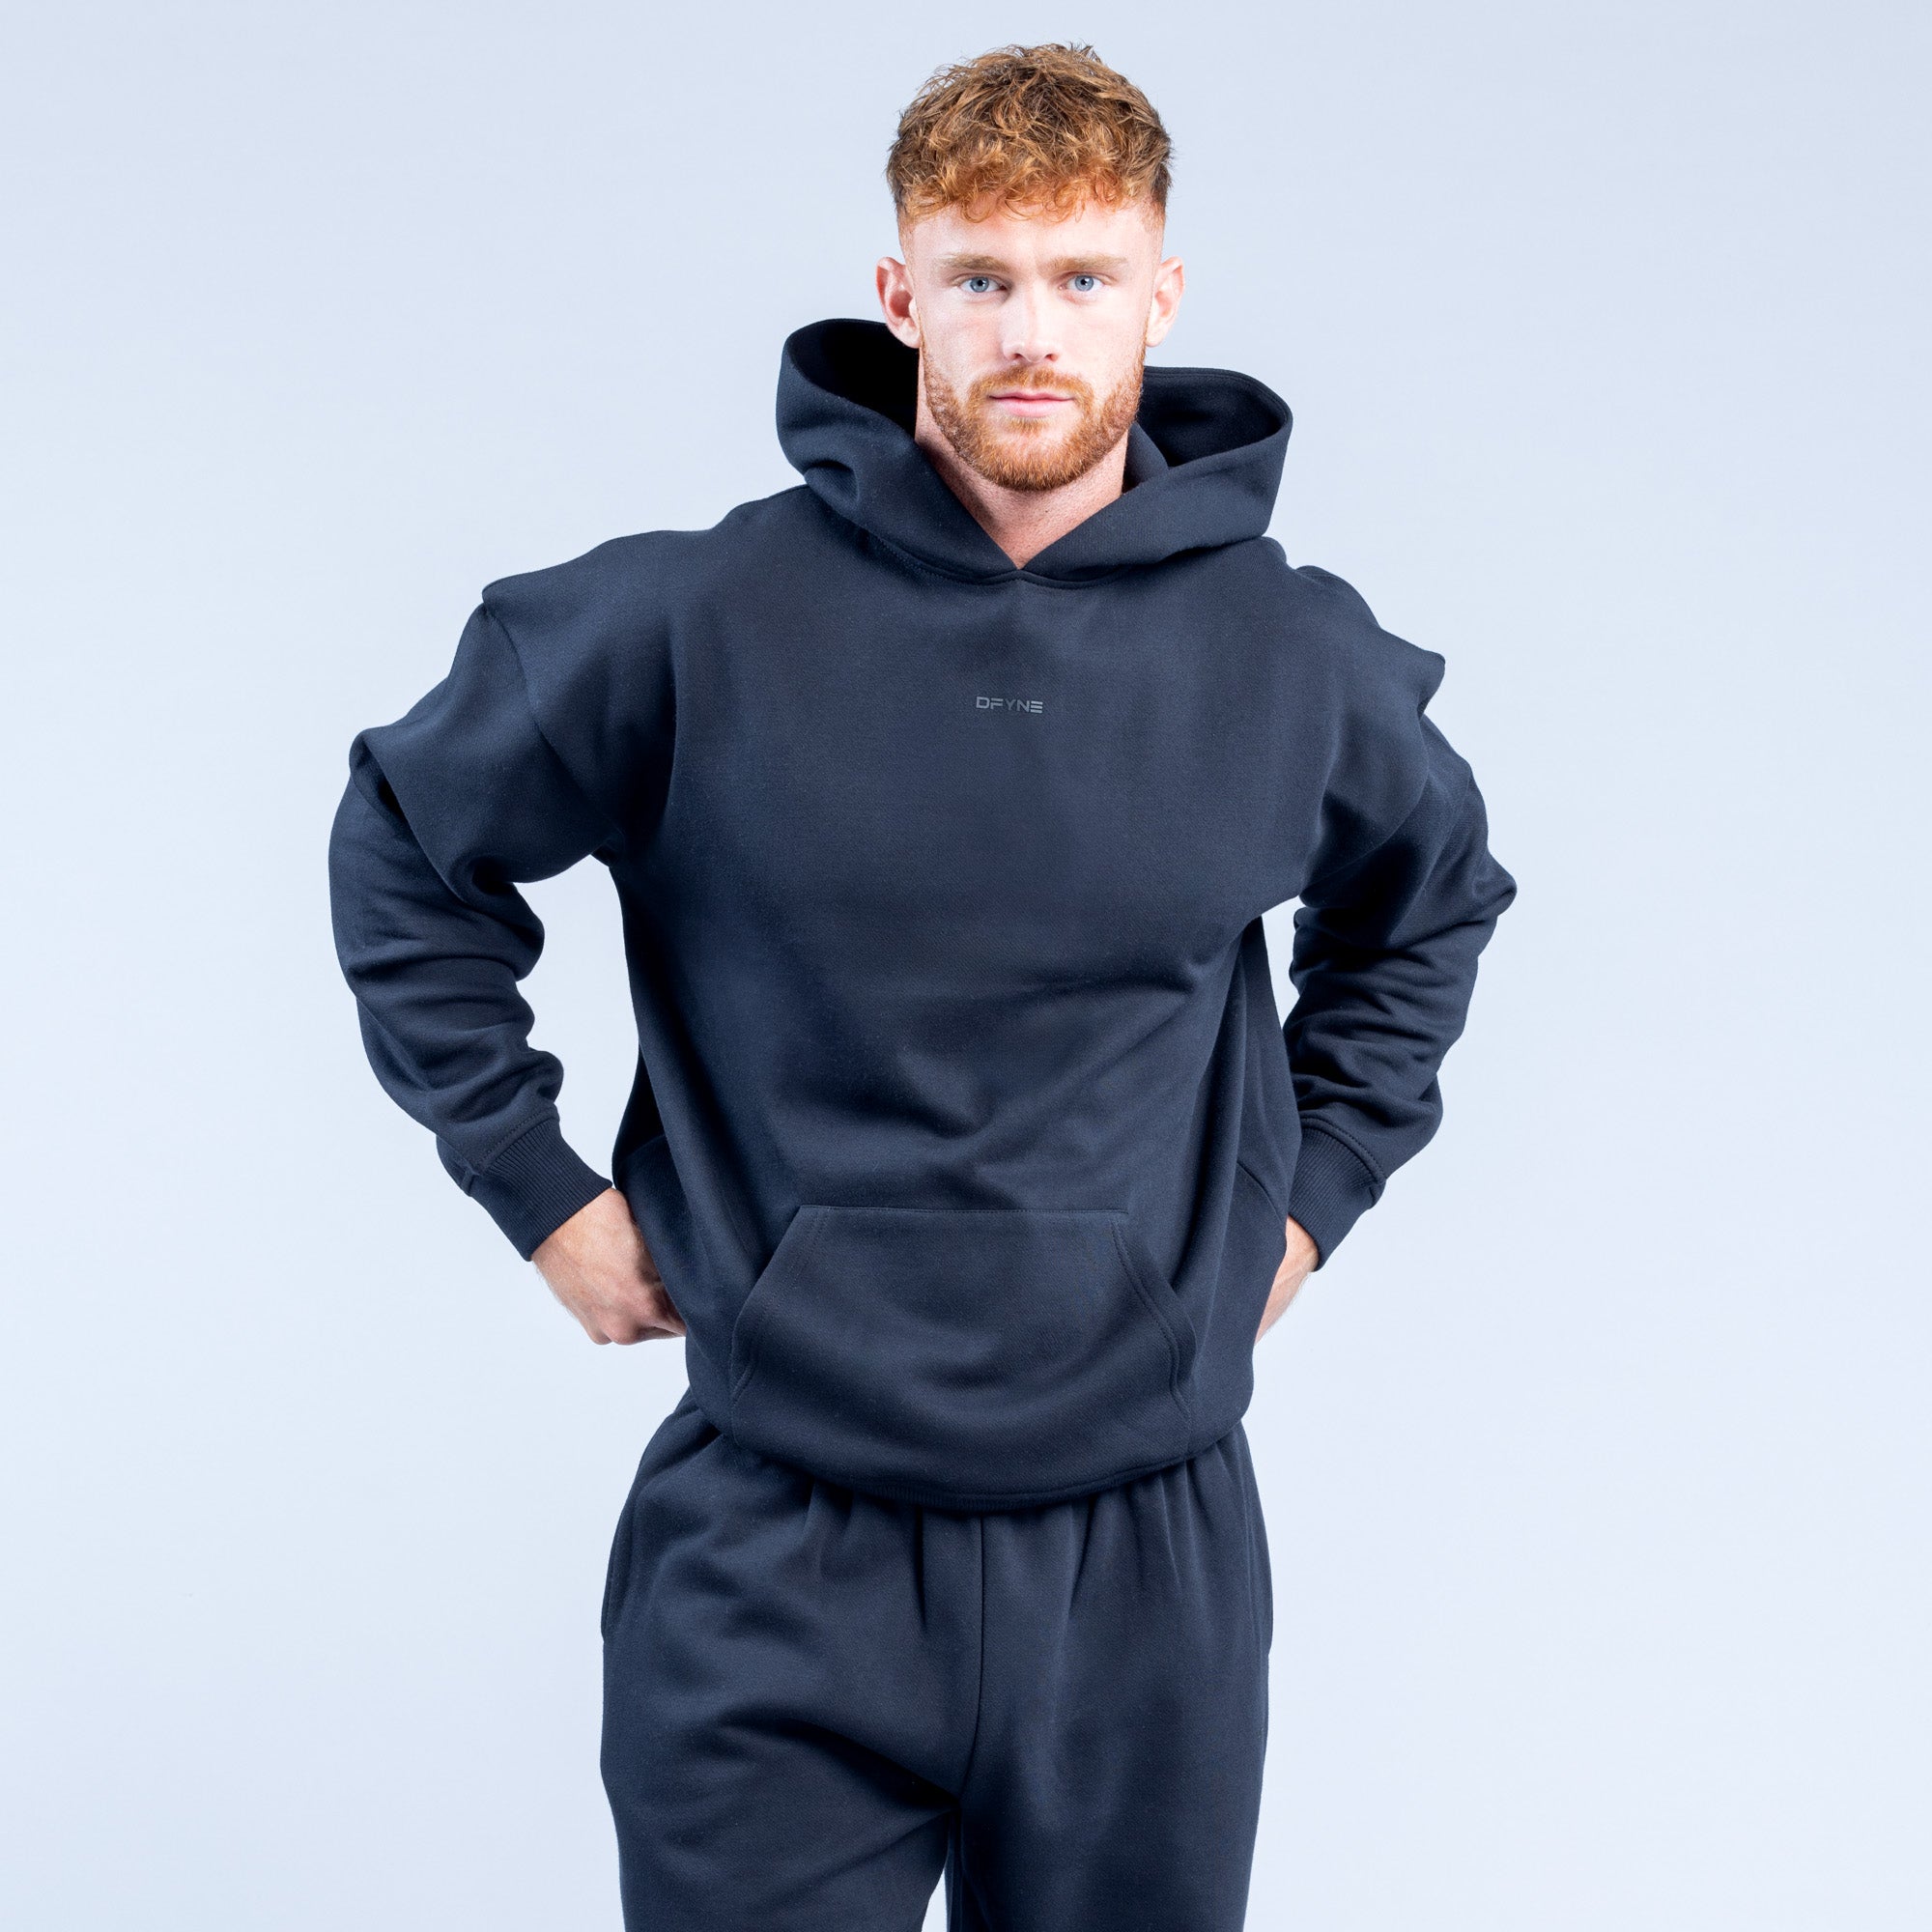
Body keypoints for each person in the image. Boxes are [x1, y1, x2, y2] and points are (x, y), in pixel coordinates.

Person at [327, 40, 1516, 1932]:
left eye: (1080, 277)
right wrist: (535, 1187)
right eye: (981, 277)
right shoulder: (692, 626)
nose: (1029, 333)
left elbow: (1429, 904)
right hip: (774, 1540)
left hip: (1142, 1560)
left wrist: (1307, 1200)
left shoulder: (1290, 660)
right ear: (901, 296)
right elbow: (408, 829)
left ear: (1161, 297)